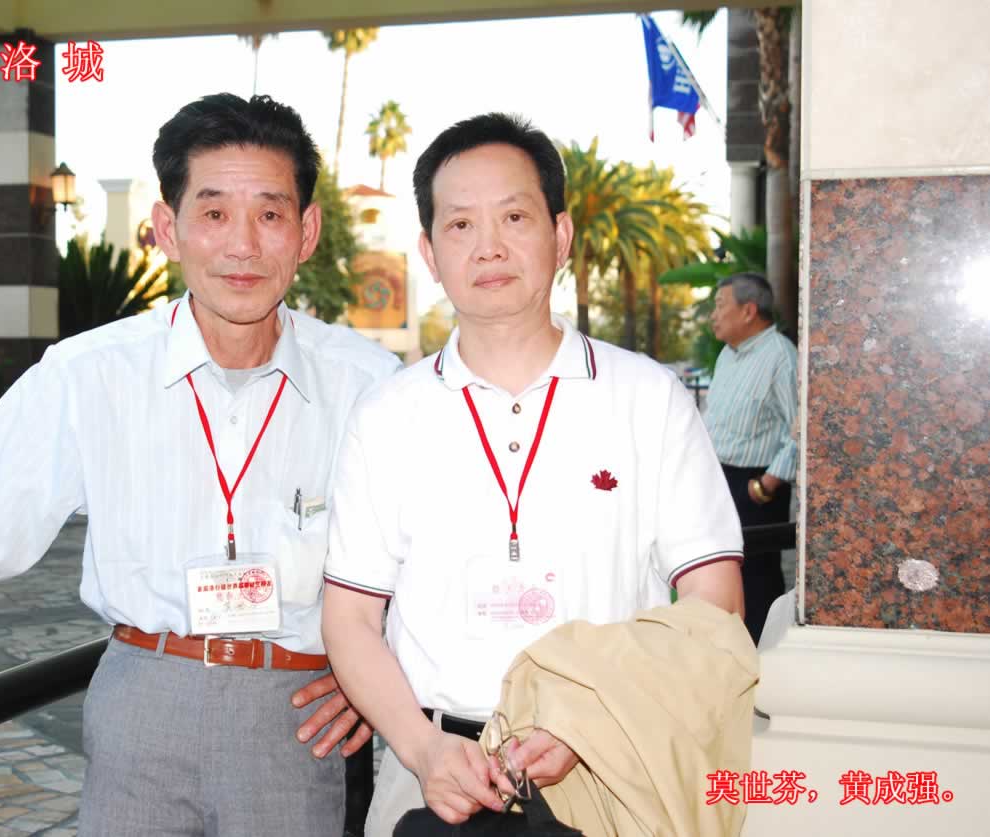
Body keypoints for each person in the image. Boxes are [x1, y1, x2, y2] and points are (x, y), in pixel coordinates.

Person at [0, 93, 400, 836]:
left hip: (295, 719)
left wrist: (382, 675)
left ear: (307, 232)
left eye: (270, 213)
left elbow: (427, 556)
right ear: (167, 228)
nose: (243, 245)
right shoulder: (90, 374)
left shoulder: (368, 384)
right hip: (142, 705)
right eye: (213, 212)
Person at [319, 113, 746, 835]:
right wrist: (423, 749)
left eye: (514, 217)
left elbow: (714, 601)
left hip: (612, 767)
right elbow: (351, 618)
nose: (488, 246)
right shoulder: (386, 414)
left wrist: (589, 721)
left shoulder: (647, 398)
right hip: (429, 773)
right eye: (460, 225)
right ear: (429, 252)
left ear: (561, 234)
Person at [705, 272, 799, 644]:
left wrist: (767, 484)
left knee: (758, 576)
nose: (713, 315)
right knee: (720, 570)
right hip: (719, 478)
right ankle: (725, 650)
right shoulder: (728, 355)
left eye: (720, 305)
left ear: (748, 310)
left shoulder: (781, 357)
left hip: (756, 487)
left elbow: (800, 428)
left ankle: (763, 654)